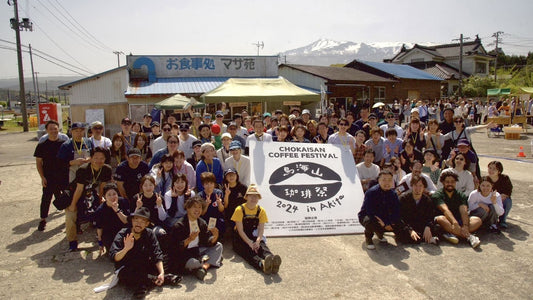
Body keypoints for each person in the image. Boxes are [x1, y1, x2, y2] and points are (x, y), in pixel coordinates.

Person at [109, 207, 176, 298]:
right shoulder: (123, 233)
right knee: (128, 275)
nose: (138, 224)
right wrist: (126, 249)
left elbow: (156, 253)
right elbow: (114, 257)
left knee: (167, 259)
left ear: (147, 224)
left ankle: (151, 280)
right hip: (128, 267)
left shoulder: (149, 233)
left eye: (142, 221)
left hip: (144, 264)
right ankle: (155, 280)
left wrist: (161, 272)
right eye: (136, 220)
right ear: (132, 221)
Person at [65, 147, 112, 251]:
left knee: (103, 210)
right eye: (96, 158)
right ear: (91, 158)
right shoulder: (83, 169)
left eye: (102, 158)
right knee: (71, 215)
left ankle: (101, 237)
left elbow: (102, 186)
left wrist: (101, 199)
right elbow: (79, 189)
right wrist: (73, 205)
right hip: (75, 192)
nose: (98, 161)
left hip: (90, 192)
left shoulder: (106, 169)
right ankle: (72, 241)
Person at [168, 196, 223, 281]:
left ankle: (204, 267)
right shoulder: (179, 225)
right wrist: (189, 239)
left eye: (200, 207)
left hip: (197, 251)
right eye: (194, 207)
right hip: (183, 255)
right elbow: (174, 249)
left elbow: (207, 241)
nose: (197, 210)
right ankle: (209, 262)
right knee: (193, 263)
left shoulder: (201, 223)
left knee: (219, 246)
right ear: (188, 208)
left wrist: (215, 236)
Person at [231, 184, 282, 274]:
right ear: (246, 197)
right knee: (248, 252)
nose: (253, 198)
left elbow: (261, 229)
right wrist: (250, 243)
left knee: (262, 246)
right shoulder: (239, 209)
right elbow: (240, 230)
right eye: (251, 196)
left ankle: (271, 259)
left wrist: (257, 241)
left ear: (258, 198)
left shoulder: (261, 210)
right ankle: (262, 265)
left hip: (253, 234)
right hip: (240, 238)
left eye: (256, 196)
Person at [358, 170, 411, 250]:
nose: (387, 182)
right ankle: (369, 238)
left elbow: (396, 211)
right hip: (369, 216)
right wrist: (385, 223)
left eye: (389, 180)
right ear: (379, 181)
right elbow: (370, 211)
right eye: (384, 180)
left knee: (399, 223)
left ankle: (380, 233)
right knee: (370, 221)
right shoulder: (371, 192)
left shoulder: (393, 194)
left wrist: (389, 222)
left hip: (385, 217)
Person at [432, 170, 482, 248]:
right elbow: (445, 210)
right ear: (443, 183)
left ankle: (454, 233)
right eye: (447, 182)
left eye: (452, 182)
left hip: (459, 221)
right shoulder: (437, 195)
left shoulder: (460, 195)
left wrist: (465, 225)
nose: (450, 184)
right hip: (446, 220)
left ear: (455, 182)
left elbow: (463, 211)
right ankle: (469, 237)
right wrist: (455, 223)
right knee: (440, 219)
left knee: (477, 220)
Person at [34, 120, 68, 231]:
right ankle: (43, 219)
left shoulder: (64, 144)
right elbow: (39, 162)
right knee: (46, 199)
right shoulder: (42, 145)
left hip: (63, 176)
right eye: (51, 129)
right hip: (49, 176)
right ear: (47, 131)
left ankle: (69, 219)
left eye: (55, 128)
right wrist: (42, 177)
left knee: (67, 197)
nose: (53, 131)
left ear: (58, 129)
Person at [399, 176, 439, 244]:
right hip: (407, 225)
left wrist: (428, 226)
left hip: (421, 225)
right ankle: (427, 239)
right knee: (401, 233)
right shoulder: (403, 199)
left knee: (438, 227)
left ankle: (421, 238)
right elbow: (400, 217)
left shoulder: (427, 200)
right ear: (412, 186)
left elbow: (430, 216)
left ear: (424, 187)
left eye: (420, 186)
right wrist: (410, 230)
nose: (418, 188)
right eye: (415, 185)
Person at [94, 182, 129, 254]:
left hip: (123, 231)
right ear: (104, 196)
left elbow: (126, 221)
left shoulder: (123, 202)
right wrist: (100, 243)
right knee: (113, 253)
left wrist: (117, 210)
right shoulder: (100, 210)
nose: (112, 197)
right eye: (109, 195)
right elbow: (99, 228)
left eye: (114, 194)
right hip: (109, 234)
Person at [487, 161, 513, 228]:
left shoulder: (505, 178)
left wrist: (502, 196)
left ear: (499, 171)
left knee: (507, 201)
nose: (491, 170)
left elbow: (508, 190)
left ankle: (502, 220)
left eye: (494, 169)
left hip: (501, 198)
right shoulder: (485, 179)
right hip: (489, 199)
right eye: (490, 168)